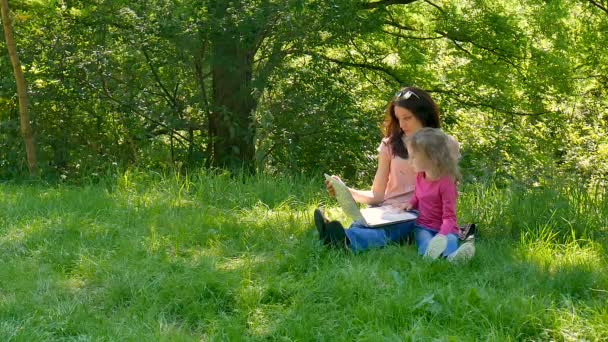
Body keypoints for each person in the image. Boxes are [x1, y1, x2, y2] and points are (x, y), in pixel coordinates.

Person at [314, 86, 461, 252]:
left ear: (423, 116)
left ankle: (345, 240)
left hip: (418, 214)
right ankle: (339, 236)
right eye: (398, 119)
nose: (402, 124)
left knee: (390, 231)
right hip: (386, 210)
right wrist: (346, 191)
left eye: (407, 118)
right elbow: (377, 196)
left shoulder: (446, 144)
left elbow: (449, 189)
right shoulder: (390, 145)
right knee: (364, 222)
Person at [399, 128, 475, 261]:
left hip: (446, 228)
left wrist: (441, 235)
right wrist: (410, 203)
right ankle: (430, 256)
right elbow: (418, 196)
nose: (410, 161)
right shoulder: (420, 176)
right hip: (423, 226)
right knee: (424, 239)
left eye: (414, 157)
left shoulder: (446, 183)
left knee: (450, 240)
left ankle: (451, 257)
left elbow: (450, 217)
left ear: (432, 158)